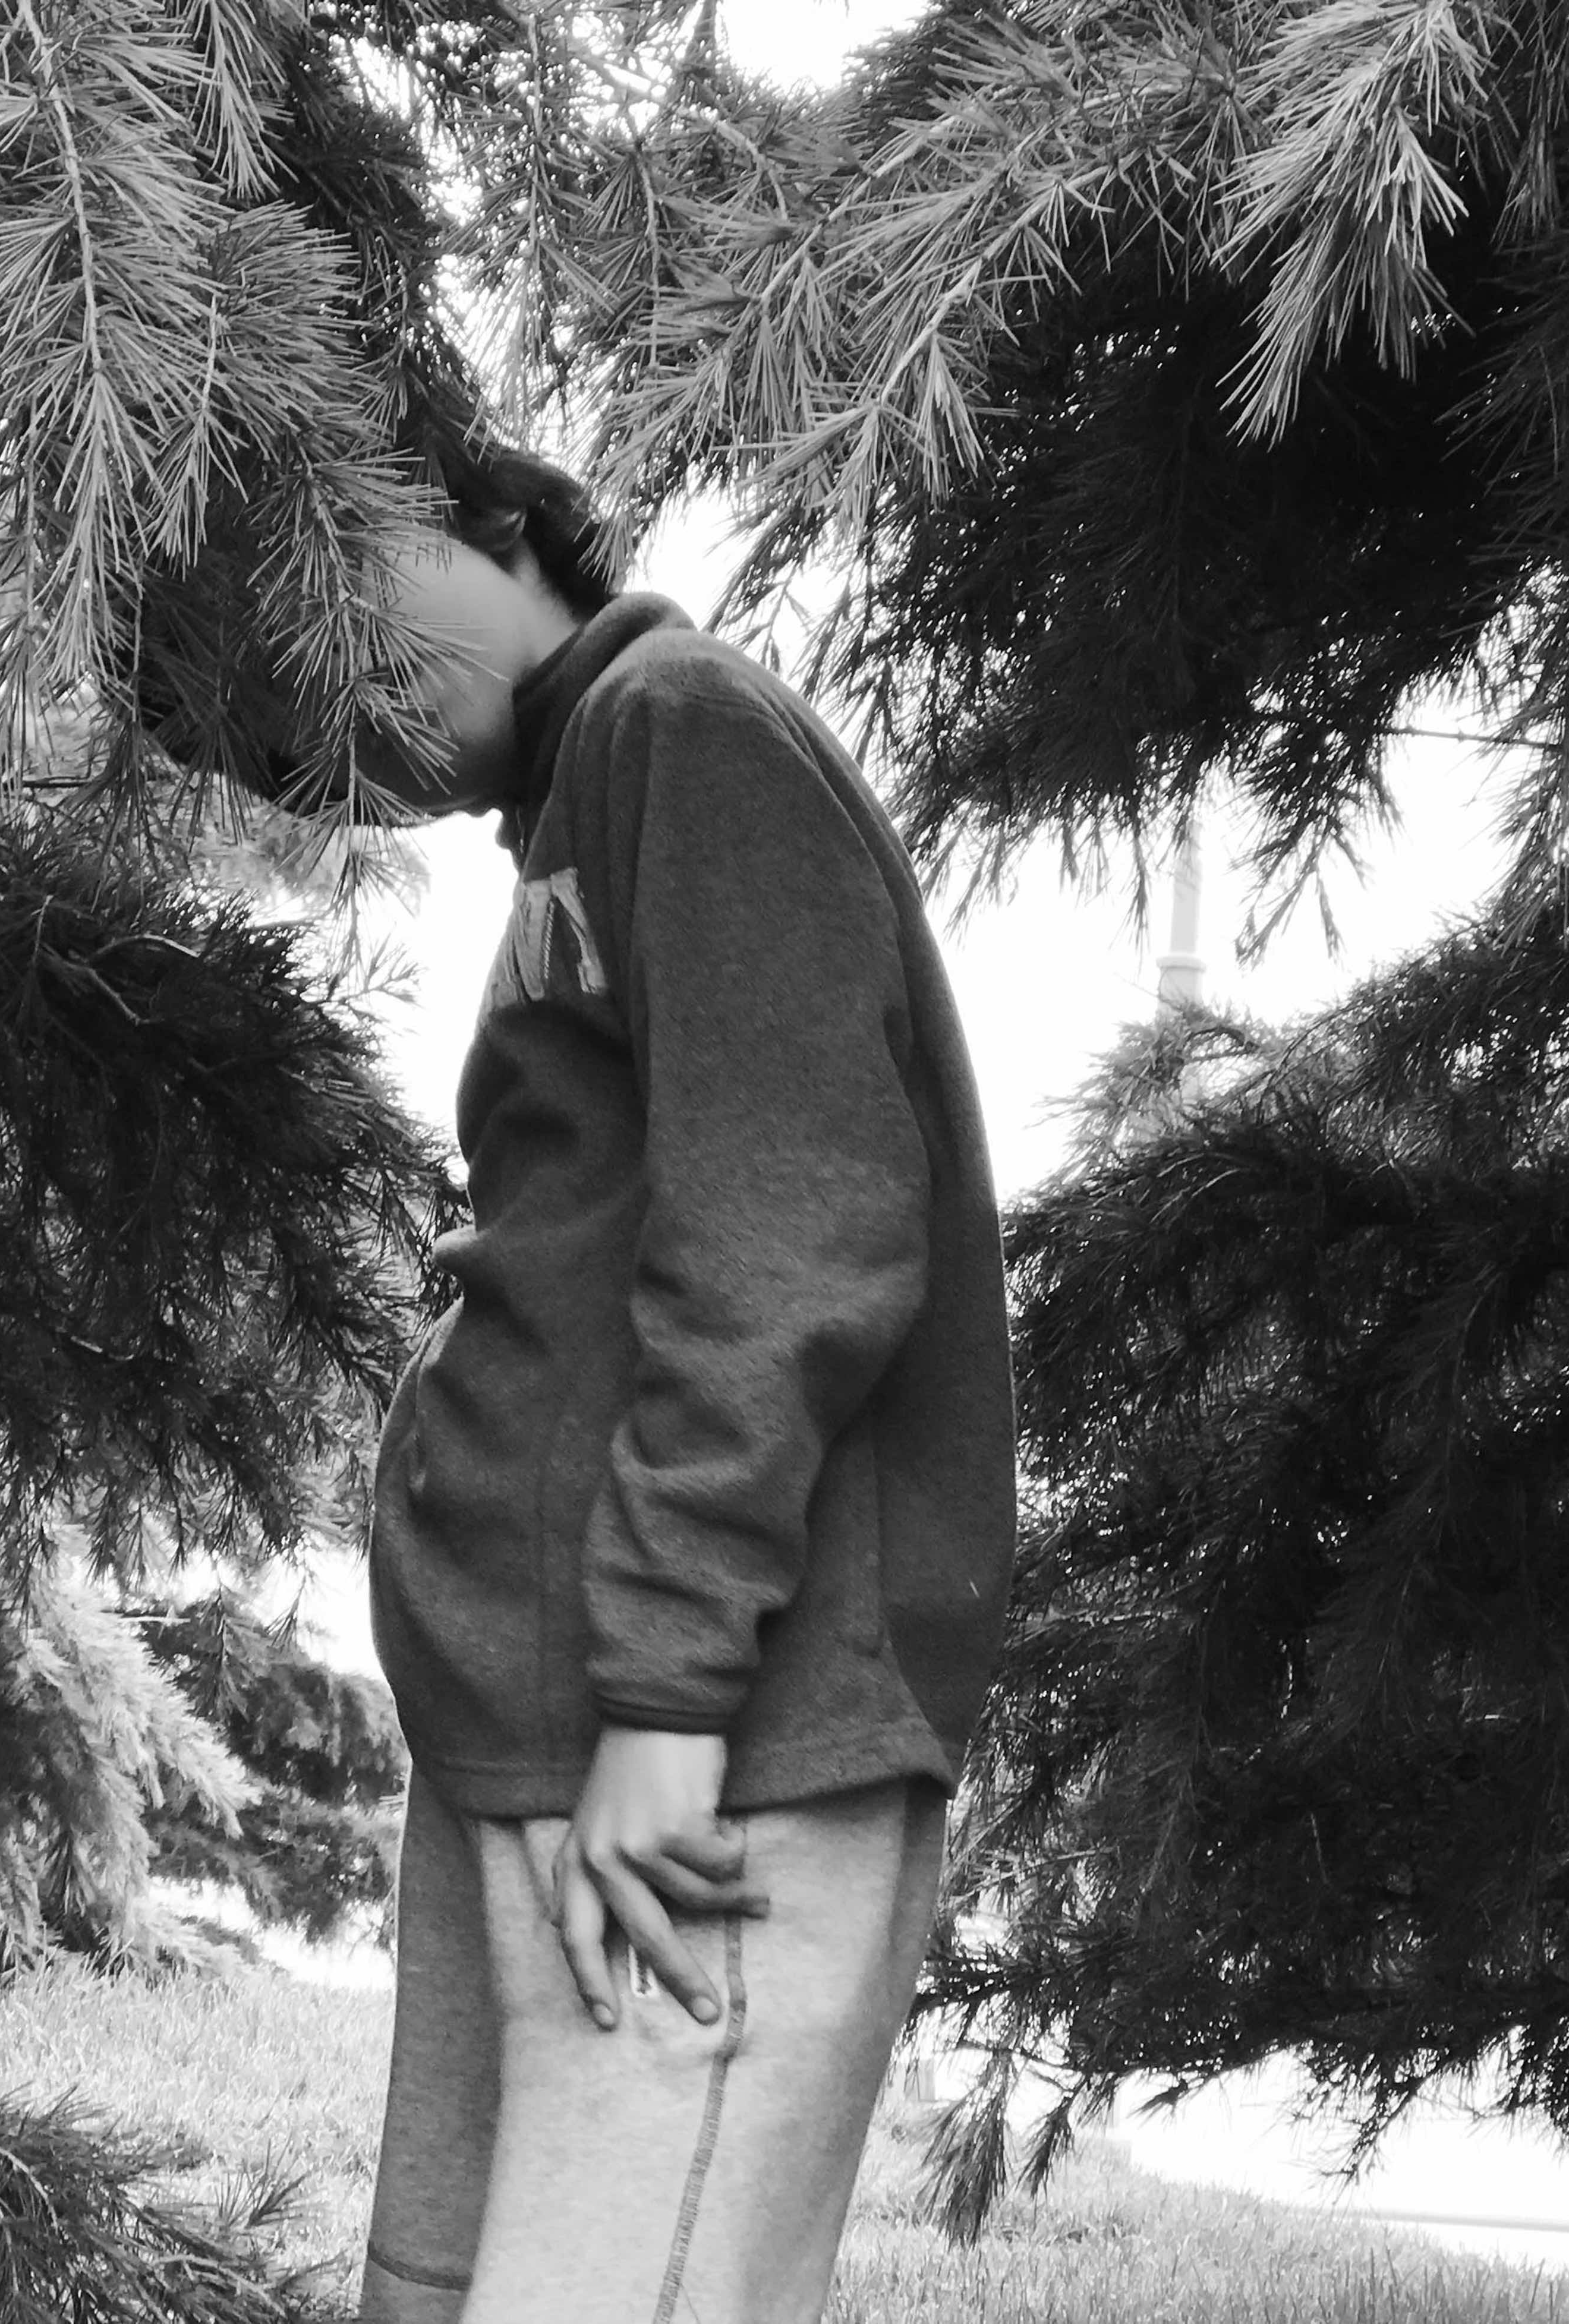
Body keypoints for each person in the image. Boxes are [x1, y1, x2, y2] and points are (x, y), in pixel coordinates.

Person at [172, 436, 1017, 2324]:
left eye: (335, 612)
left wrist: (664, 1695)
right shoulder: (584, 795)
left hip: (699, 1751)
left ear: (486, 519)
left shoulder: (680, 727)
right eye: (284, 729)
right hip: (550, 1734)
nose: (342, 716)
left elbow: (794, 1229)